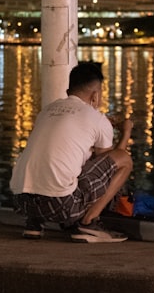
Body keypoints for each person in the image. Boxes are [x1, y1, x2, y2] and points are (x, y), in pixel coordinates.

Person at [9, 61, 134, 243]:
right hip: (61, 206)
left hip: (23, 204)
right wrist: (126, 133)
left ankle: (34, 225)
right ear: (95, 95)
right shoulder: (97, 119)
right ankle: (88, 224)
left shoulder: (47, 111)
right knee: (125, 159)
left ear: (69, 89)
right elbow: (113, 164)